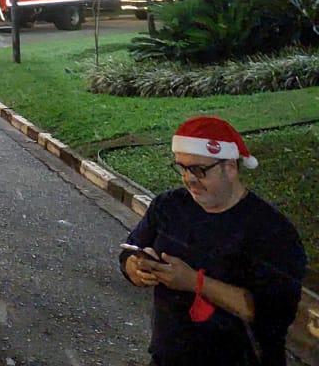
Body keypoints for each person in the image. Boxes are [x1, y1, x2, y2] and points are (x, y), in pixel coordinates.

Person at [119, 115, 308, 366]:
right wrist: (136, 268)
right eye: (182, 168)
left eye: (198, 169)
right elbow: (130, 252)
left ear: (230, 167)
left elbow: (272, 313)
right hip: (168, 356)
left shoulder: (272, 230)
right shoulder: (168, 206)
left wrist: (194, 282)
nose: (189, 179)